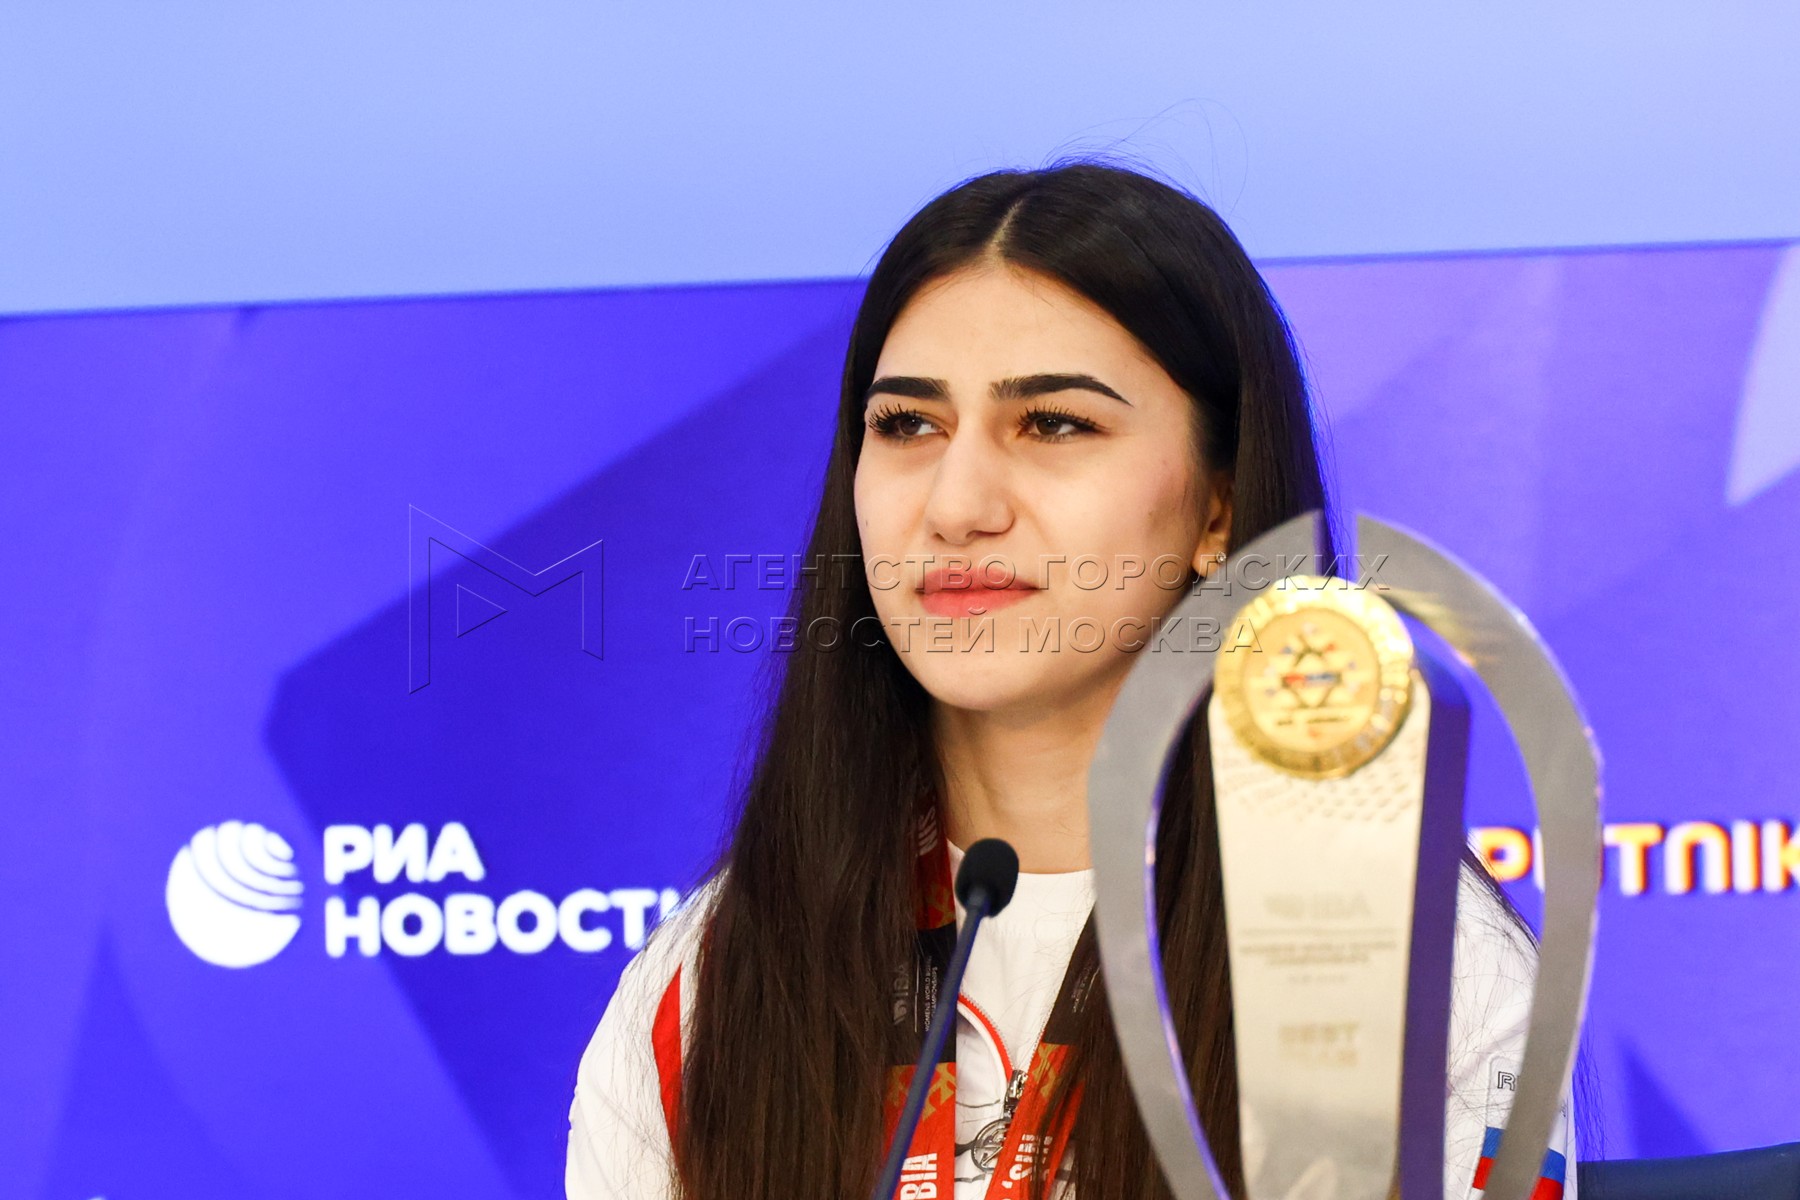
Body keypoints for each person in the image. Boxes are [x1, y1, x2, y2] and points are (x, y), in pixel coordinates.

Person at [565, 161, 1580, 1200]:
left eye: (1054, 424)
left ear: (1220, 510)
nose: (957, 506)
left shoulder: (1413, 958)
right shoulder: (711, 981)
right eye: (907, 425)